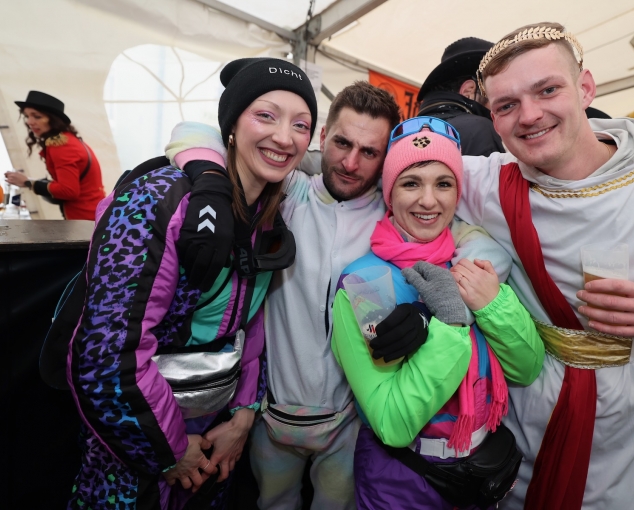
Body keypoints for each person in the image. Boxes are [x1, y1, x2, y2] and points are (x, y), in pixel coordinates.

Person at [450, 22, 634, 510]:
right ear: (493, 119)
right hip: (526, 388)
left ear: (586, 88)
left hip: (633, 397)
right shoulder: (485, 182)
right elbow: (392, 168)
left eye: (547, 90)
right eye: (506, 105)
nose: (529, 115)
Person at [166, 84, 512, 510]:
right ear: (323, 136)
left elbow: (483, 247)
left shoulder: (393, 214)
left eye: (369, 152)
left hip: (347, 424)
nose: (351, 163)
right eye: (343, 143)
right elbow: (192, 131)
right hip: (272, 416)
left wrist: (442, 305)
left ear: (384, 161)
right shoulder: (288, 193)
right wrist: (210, 180)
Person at [64, 57, 317, 509]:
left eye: (301, 125)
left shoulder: (269, 213)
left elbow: (249, 326)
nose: (285, 137)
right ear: (231, 126)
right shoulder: (159, 200)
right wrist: (172, 451)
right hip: (140, 448)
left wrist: (243, 415)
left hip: (214, 438)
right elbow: (106, 357)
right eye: (266, 115)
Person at [330, 117, 544, 509]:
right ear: (389, 194)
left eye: (443, 184)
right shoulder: (365, 283)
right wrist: (451, 322)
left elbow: (526, 368)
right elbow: (392, 423)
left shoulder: (473, 265)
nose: (429, 201)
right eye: (411, 183)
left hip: (477, 471)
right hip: (401, 480)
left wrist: (491, 304)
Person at [4, 90, 105, 220]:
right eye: (27, 116)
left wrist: (28, 182)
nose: (29, 121)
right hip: (93, 213)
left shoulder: (61, 146)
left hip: (83, 217)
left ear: (53, 119)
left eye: (37, 116)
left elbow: (68, 191)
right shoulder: (69, 139)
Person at [417, 38, 504, 156]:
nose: (499, 107)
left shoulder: (406, 131)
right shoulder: (479, 129)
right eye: (494, 96)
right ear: (468, 91)